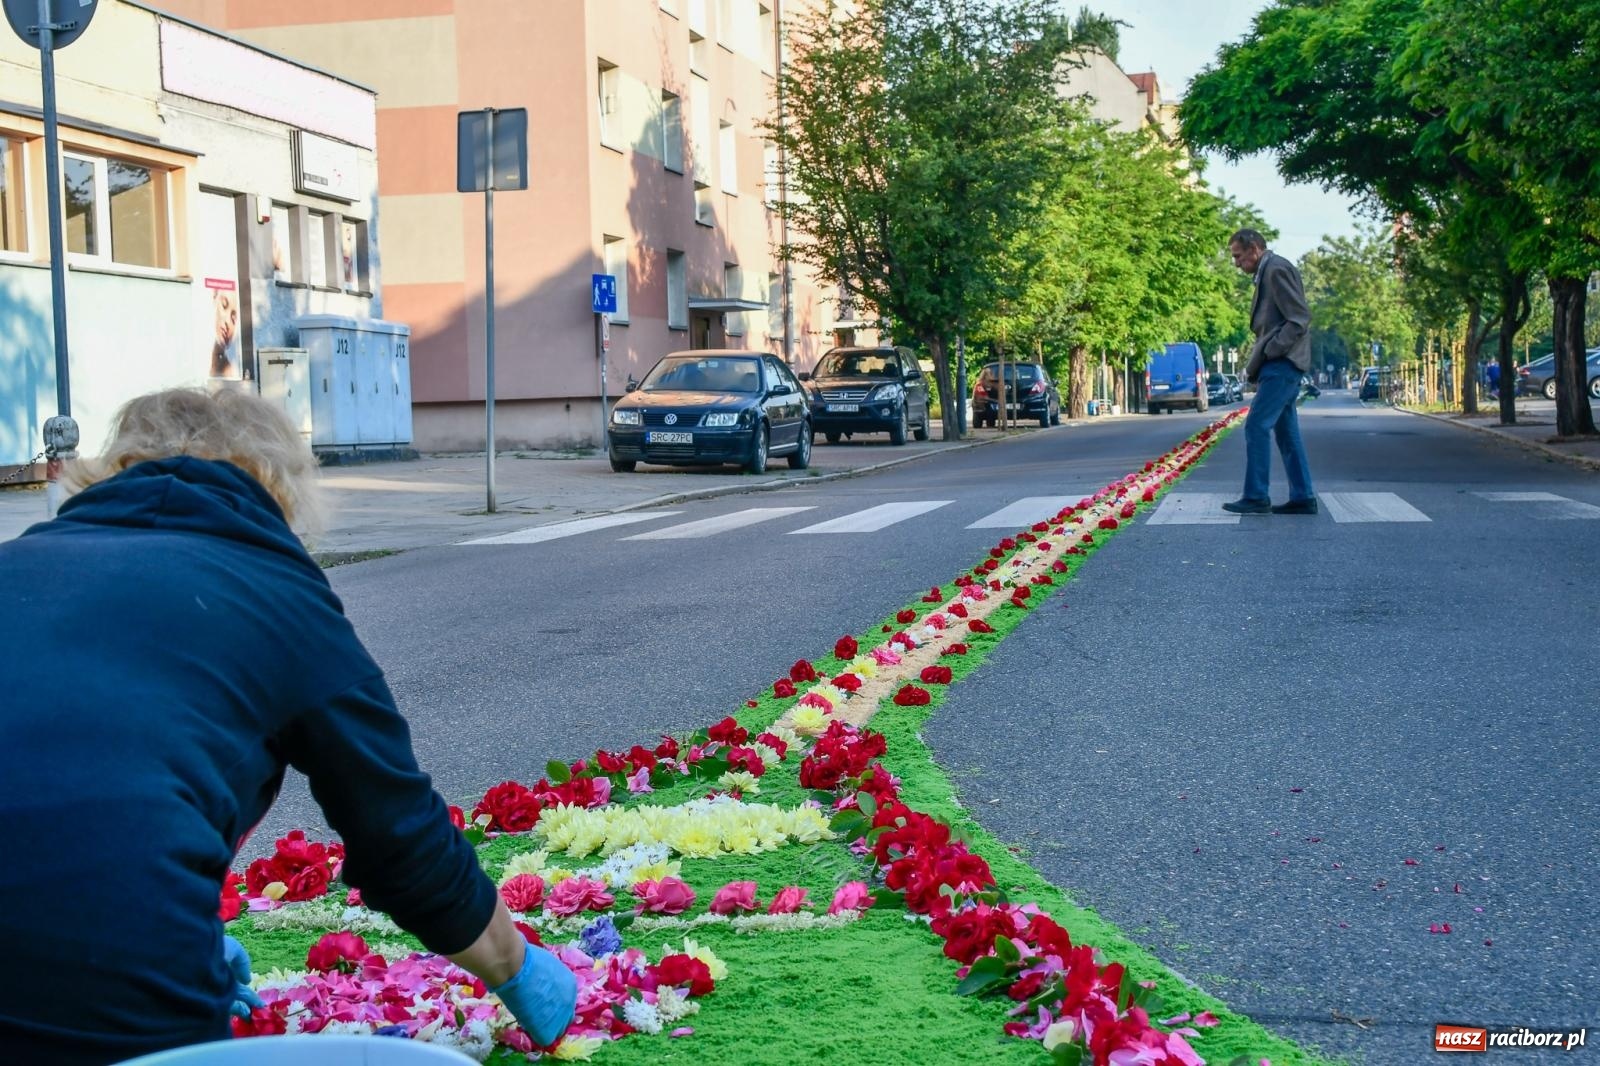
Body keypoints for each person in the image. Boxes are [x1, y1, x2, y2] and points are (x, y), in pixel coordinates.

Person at [0, 388, 576, 1064]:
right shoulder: (277, 594)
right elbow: (403, 842)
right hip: (110, 1007)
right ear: (278, 486)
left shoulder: (15, 563)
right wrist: (516, 966)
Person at [1223, 229, 1317, 515]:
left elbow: (1299, 318)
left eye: (1238, 256)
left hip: (1282, 363)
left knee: (1256, 425)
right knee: (1286, 431)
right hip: (1281, 362)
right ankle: (1302, 497)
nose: (1237, 263)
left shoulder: (1275, 269)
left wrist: (1273, 349)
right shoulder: (1270, 270)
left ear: (1254, 249)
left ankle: (1256, 495)